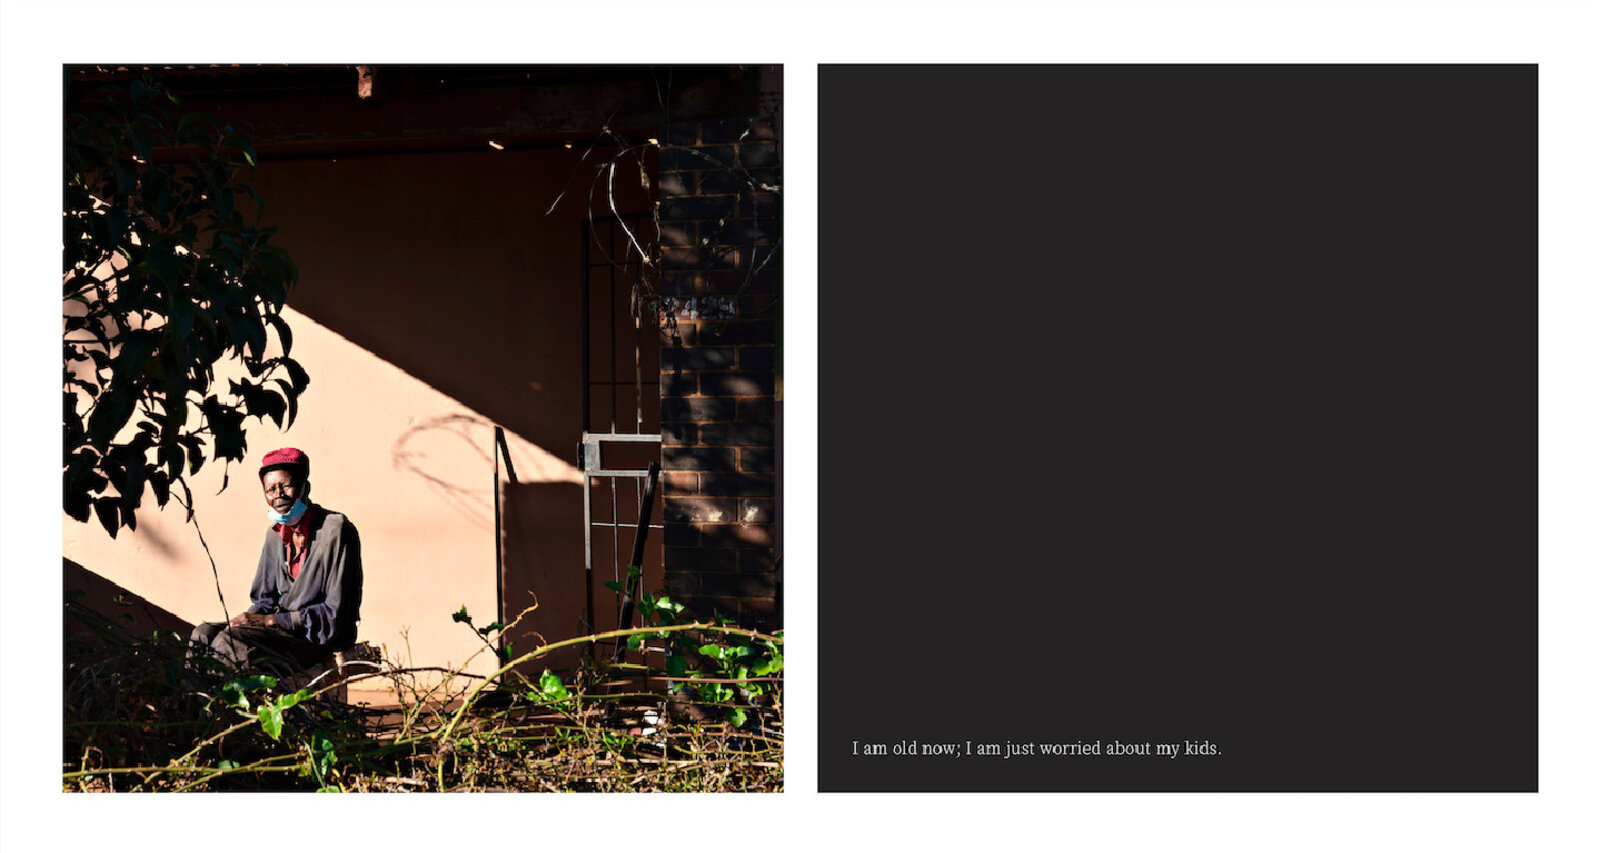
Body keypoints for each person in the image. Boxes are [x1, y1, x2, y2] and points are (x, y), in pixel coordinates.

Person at [189, 447, 363, 674]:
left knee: (232, 641)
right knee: (203, 633)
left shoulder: (335, 529)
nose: (278, 494)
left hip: (316, 637)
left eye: (286, 485)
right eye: (270, 489)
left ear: (305, 488)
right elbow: (264, 600)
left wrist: (271, 621)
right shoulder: (275, 535)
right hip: (281, 633)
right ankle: (192, 704)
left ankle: (220, 707)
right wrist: (250, 620)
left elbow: (335, 614)